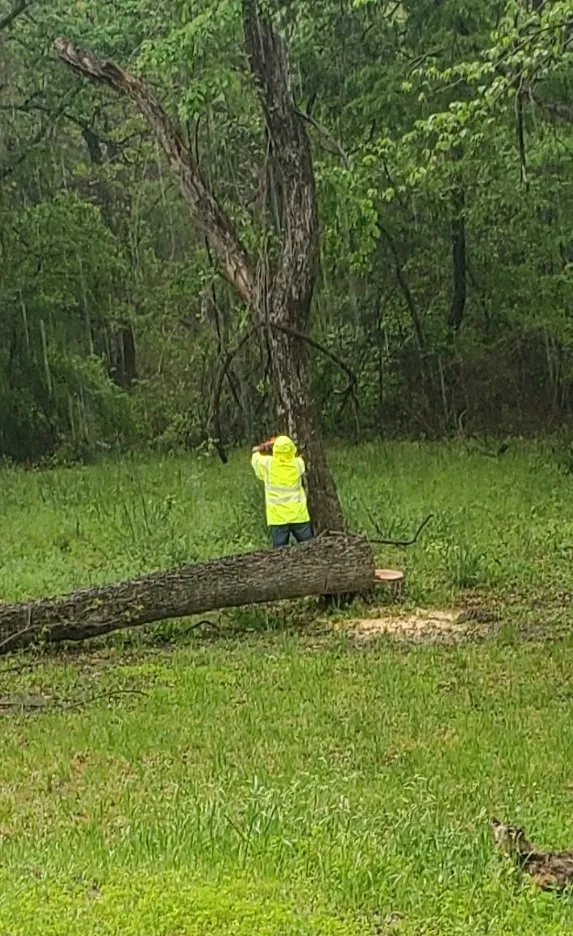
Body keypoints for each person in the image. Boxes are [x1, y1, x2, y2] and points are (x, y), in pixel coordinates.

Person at [251, 435, 314, 548]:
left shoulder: (268, 464)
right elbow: (298, 455)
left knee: (279, 554)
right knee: (308, 548)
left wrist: (264, 446)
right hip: (298, 515)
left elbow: (255, 455)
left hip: (277, 518)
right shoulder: (298, 464)